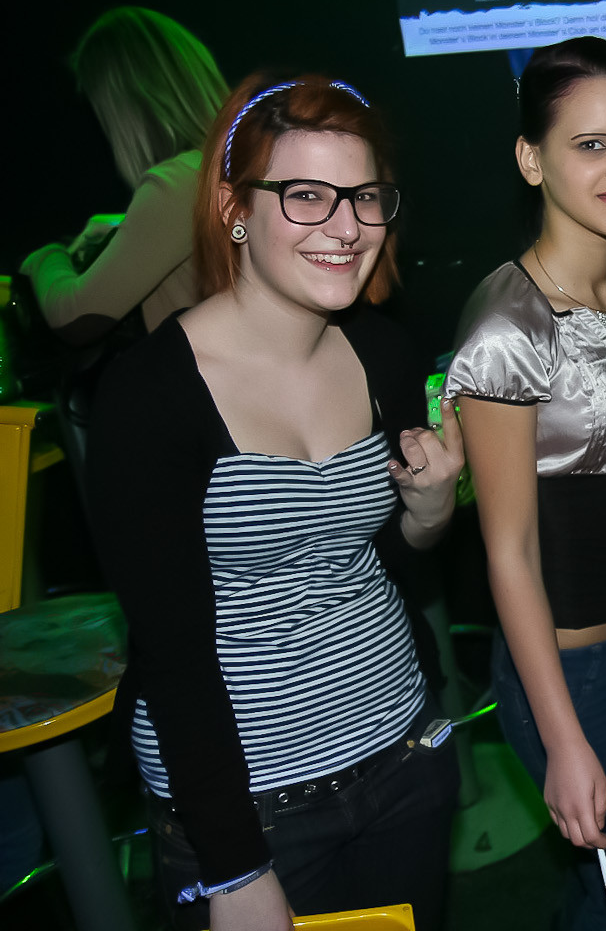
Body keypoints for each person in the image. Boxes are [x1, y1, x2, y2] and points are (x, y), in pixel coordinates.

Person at [85, 74, 463, 930]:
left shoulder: (383, 352)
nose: (346, 227)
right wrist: (234, 866)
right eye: (306, 196)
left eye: (364, 197)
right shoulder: (150, 395)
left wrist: (431, 510)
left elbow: (388, 556)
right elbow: (173, 652)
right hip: (250, 809)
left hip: (402, 754)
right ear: (234, 209)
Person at [444, 37, 606, 930]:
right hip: (572, 678)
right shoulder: (509, 328)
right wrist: (563, 739)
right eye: (591, 144)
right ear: (530, 159)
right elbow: (506, 553)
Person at [22, 7, 226, 343]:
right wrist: (126, 225)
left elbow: (76, 317)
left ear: (125, 104)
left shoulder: (178, 183)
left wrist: (44, 258)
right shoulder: (229, 171)